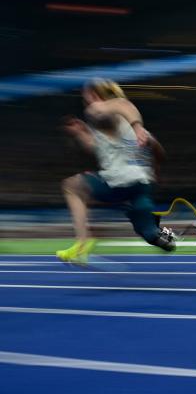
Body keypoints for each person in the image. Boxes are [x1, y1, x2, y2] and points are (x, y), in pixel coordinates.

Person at [56, 78, 176, 264]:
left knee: (71, 186)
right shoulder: (115, 123)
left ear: (95, 94)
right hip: (142, 185)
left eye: (85, 94)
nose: (84, 99)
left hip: (120, 183)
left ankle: (83, 243)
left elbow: (124, 104)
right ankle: (162, 233)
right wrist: (81, 133)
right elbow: (158, 149)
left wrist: (137, 126)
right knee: (149, 234)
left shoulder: (96, 109)